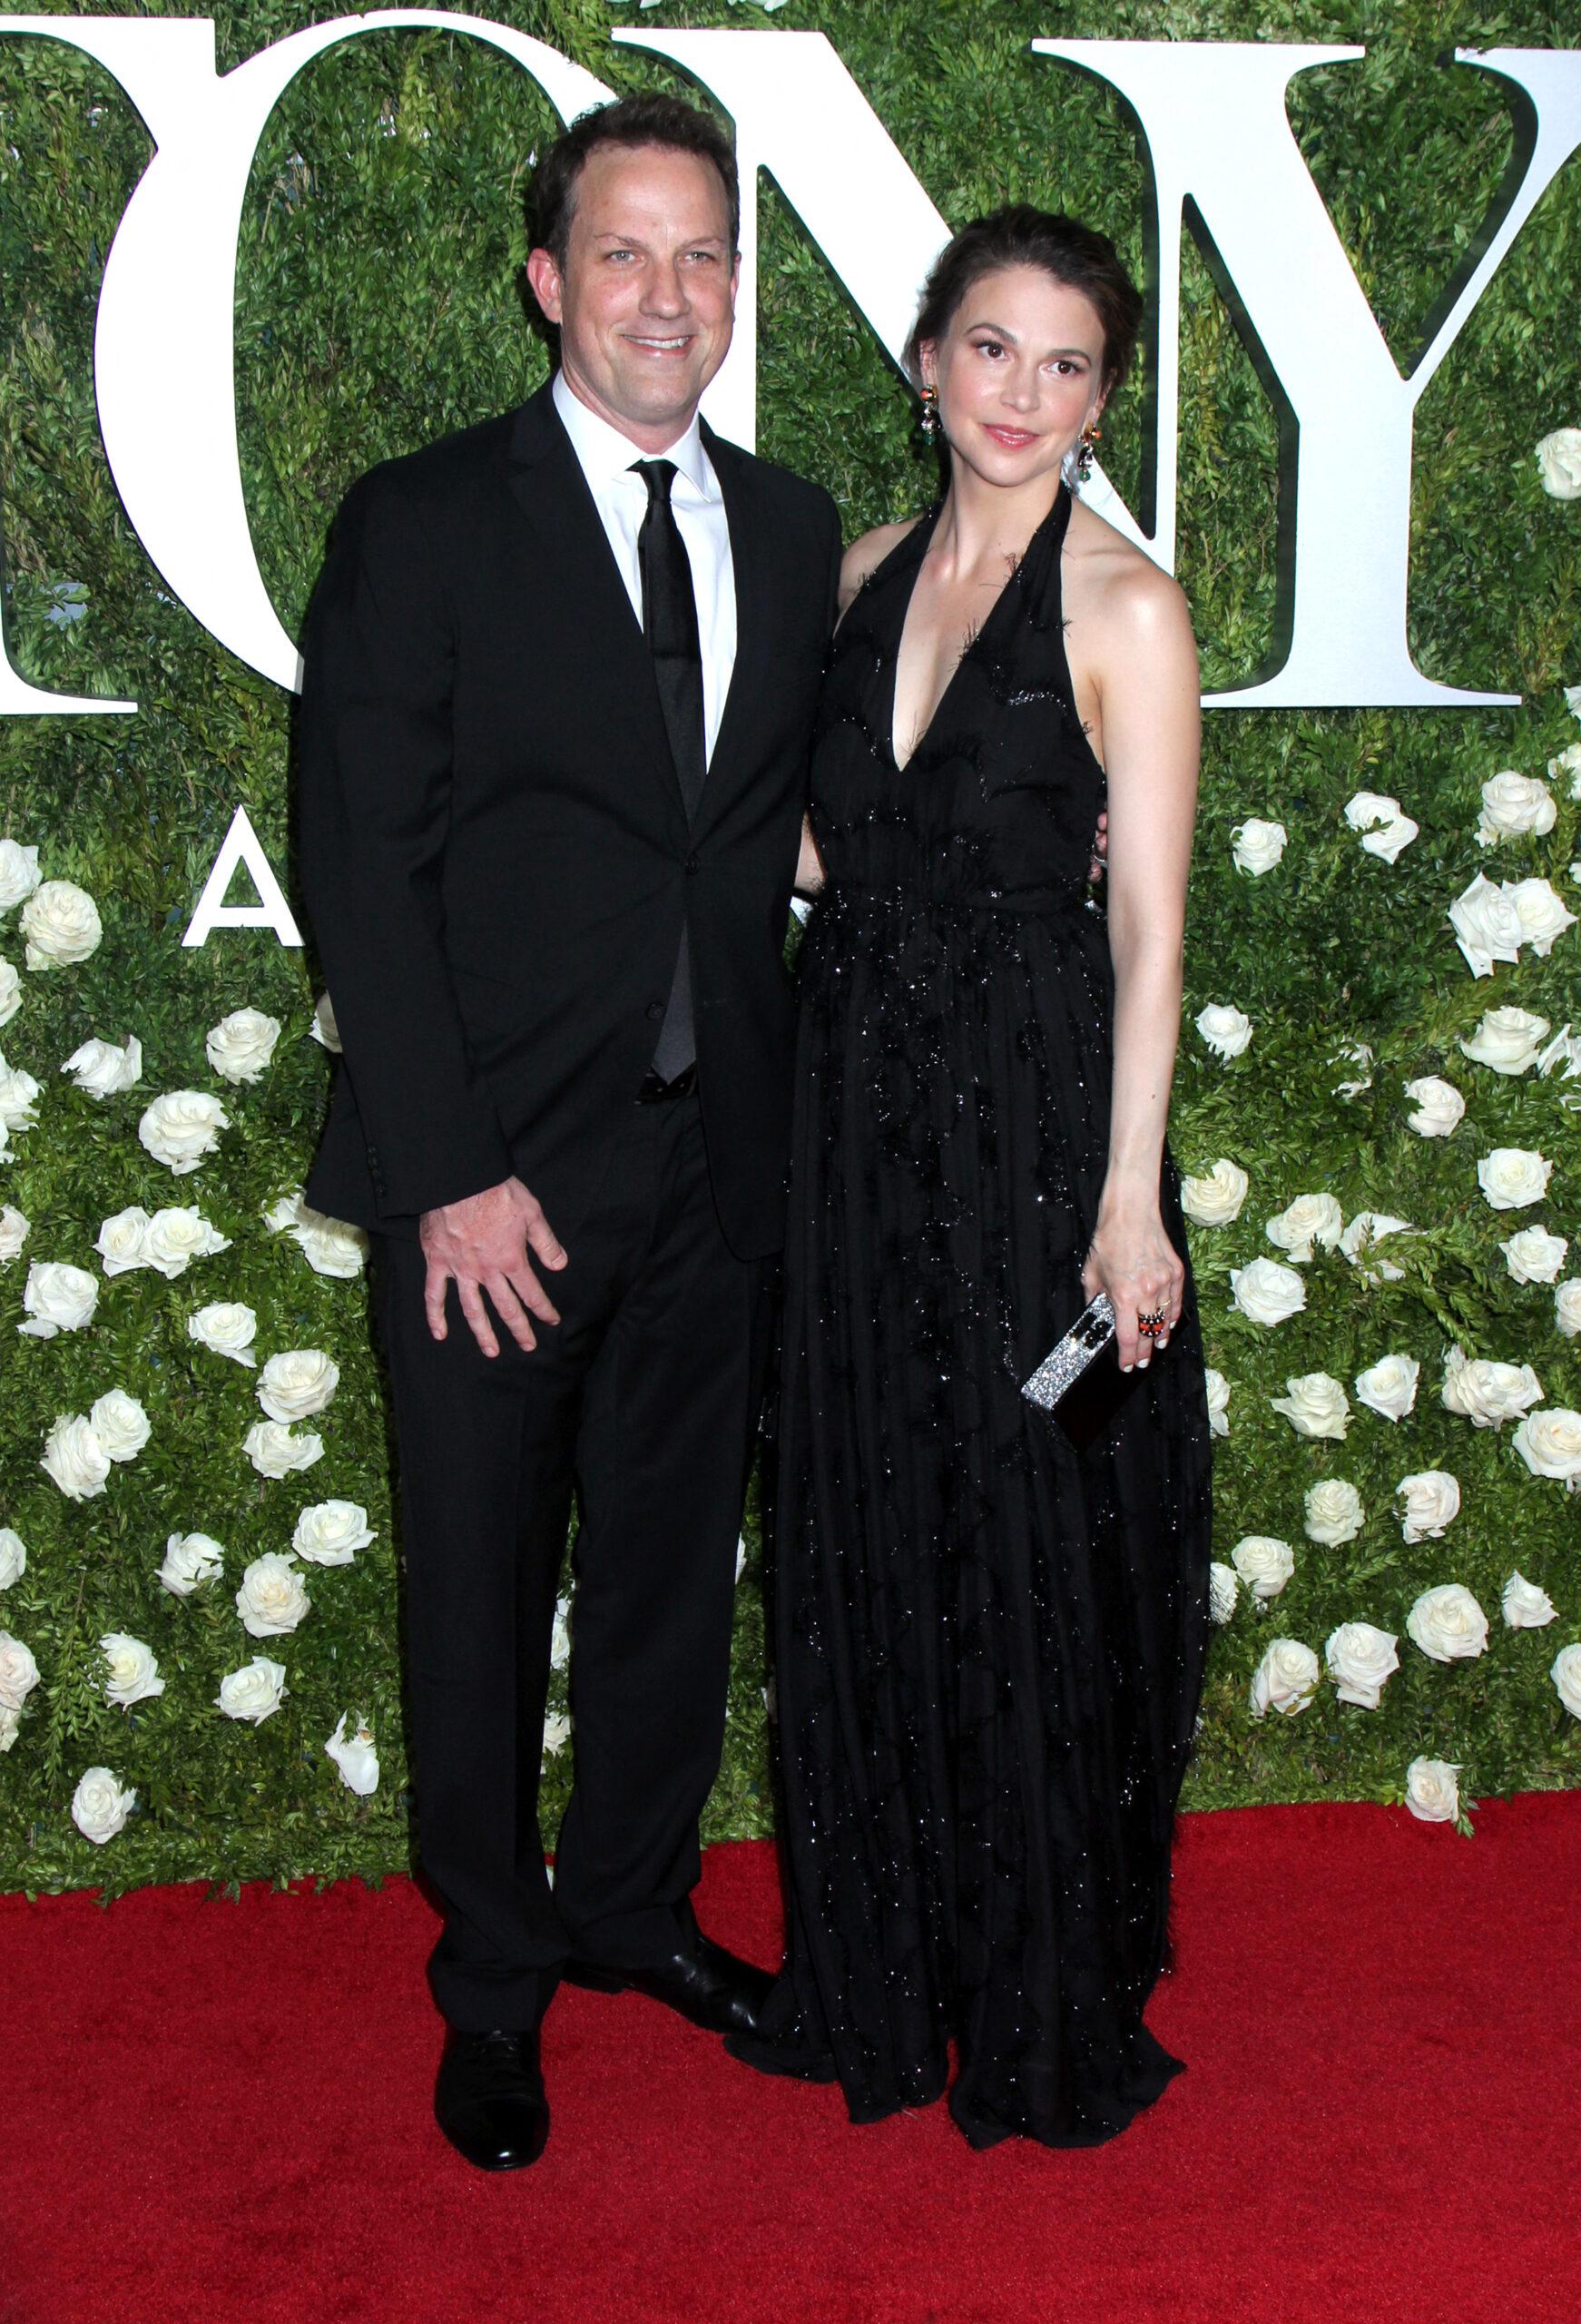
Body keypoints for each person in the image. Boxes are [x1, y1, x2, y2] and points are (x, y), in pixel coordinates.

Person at [296, 94, 841, 2172]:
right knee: (479, 1588)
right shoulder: (425, 521)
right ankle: (494, 1980)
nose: (666, 292)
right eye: (624, 251)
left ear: (735, 288)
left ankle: (631, 1908)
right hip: (493, 1189)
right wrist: (444, 1168)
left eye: (701, 254)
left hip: (718, 1170)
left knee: (668, 1592)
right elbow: (365, 862)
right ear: (549, 279)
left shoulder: (787, 530)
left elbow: (758, 825)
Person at [730, 208, 1213, 2150]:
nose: (1021, 393)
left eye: (1066, 362)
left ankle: (1033, 1989)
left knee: (1030, 1545)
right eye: (990, 349)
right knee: (868, 1522)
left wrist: (1128, 1197)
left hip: (1032, 1136)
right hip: (849, 1112)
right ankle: (879, 1965)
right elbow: (817, 838)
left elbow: (1155, 929)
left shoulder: (1126, 610)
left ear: (1102, 401)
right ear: (926, 361)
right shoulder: (850, 578)